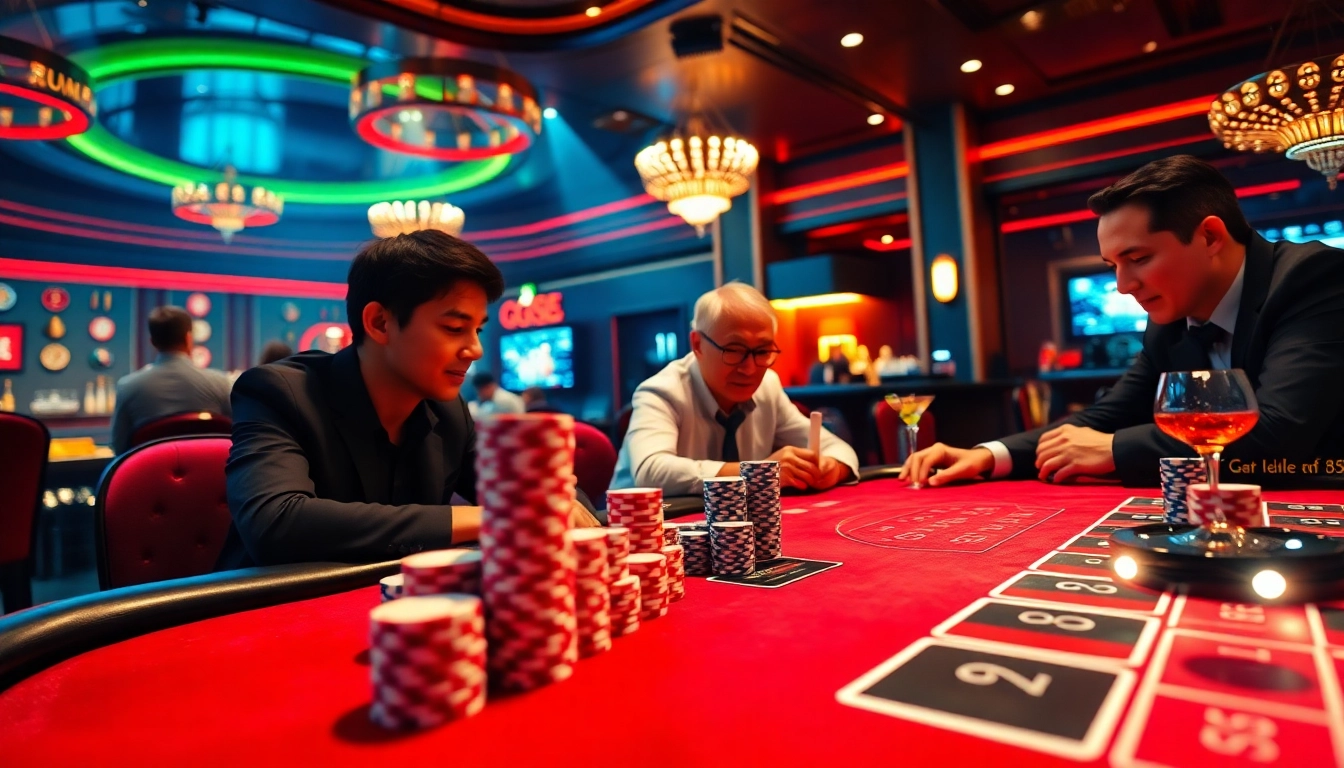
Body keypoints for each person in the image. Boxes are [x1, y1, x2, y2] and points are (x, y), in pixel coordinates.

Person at [901, 154, 1344, 489]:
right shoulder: (1169, 318)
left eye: (1138, 259)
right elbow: (1107, 415)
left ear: (1210, 236)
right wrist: (988, 455)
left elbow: (1277, 433)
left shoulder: (1312, 279)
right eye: (1113, 264)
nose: (1123, 285)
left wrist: (1113, 450)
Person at [217, 231, 599, 570]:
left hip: (403, 608)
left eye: (478, 329)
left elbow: (536, 494)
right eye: (454, 328)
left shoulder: (448, 412)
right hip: (267, 614)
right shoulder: (279, 392)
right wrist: (499, 516)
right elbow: (277, 523)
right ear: (380, 323)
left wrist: (551, 495)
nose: (476, 349)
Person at [610, 282, 860, 496]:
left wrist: (830, 469)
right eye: (734, 350)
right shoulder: (661, 391)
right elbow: (650, 472)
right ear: (697, 344)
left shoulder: (767, 386)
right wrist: (757, 473)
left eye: (762, 351)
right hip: (642, 537)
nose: (750, 369)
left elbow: (838, 449)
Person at [110, 306, 233, 453]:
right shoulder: (221, 384)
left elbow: (119, 448)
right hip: (213, 474)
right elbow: (240, 436)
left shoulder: (127, 387)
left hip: (151, 474)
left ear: (153, 342)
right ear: (188, 338)